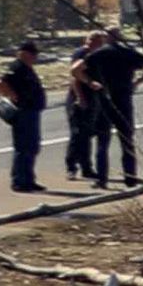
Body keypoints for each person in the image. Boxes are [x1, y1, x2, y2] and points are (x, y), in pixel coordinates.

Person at [78, 25, 143, 186]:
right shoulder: (128, 53)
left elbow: (76, 69)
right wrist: (138, 82)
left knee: (103, 141)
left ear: (106, 37)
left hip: (105, 99)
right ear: (120, 37)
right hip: (124, 99)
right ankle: (130, 178)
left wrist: (90, 82)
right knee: (127, 140)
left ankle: (102, 178)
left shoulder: (99, 54)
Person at [0, 40, 43, 194]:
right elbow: (0, 82)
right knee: (23, 147)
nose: (35, 57)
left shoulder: (27, 68)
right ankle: (19, 181)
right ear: (24, 54)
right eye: (33, 54)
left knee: (32, 147)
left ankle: (29, 179)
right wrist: (12, 95)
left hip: (32, 112)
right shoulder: (17, 67)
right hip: (23, 112)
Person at [61, 47, 101, 185]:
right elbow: (74, 77)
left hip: (92, 100)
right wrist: (80, 97)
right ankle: (71, 167)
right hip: (79, 102)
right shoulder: (83, 55)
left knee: (87, 135)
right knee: (77, 134)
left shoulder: (97, 55)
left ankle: (86, 167)